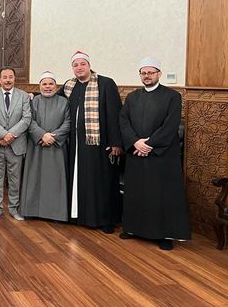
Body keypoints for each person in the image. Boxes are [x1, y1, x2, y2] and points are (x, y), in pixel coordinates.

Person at [119, 57, 191, 250]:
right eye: (143, 73)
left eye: (150, 72)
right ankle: (132, 229)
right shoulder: (132, 97)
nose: (147, 76)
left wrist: (149, 144)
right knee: (136, 193)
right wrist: (135, 142)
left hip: (161, 156)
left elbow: (170, 125)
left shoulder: (172, 96)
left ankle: (164, 235)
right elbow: (123, 121)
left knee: (160, 195)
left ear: (159, 74)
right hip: (136, 153)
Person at [60, 51, 122, 233]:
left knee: (102, 181)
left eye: (82, 64)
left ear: (89, 65)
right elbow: (51, 96)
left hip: (100, 144)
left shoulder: (105, 83)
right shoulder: (69, 85)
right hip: (76, 144)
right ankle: (79, 216)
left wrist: (116, 142)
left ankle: (106, 219)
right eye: (75, 65)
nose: (79, 68)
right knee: (79, 180)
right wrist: (32, 96)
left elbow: (115, 114)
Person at [19, 71, 70, 221]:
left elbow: (68, 122)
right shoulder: (33, 102)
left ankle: (56, 213)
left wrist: (53, 137)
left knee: (55, 181)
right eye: (45, 84)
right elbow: (29, 121)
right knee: (34, 178)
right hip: (37, 146)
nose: (48, 87)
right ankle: (31, 210)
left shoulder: (64, 102)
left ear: (56, 85)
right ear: (40, 86)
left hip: (56, 147)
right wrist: (42, 135)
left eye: (51, 84)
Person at [0, 67, 31, 221]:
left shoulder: (23, 96)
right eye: (4, 77)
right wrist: (4, 135)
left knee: (15, 180)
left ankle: (14, 208)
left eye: (10, 77)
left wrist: (11, 135)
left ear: (14, 79)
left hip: (16, 145)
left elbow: (26, 118)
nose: (7, 80)